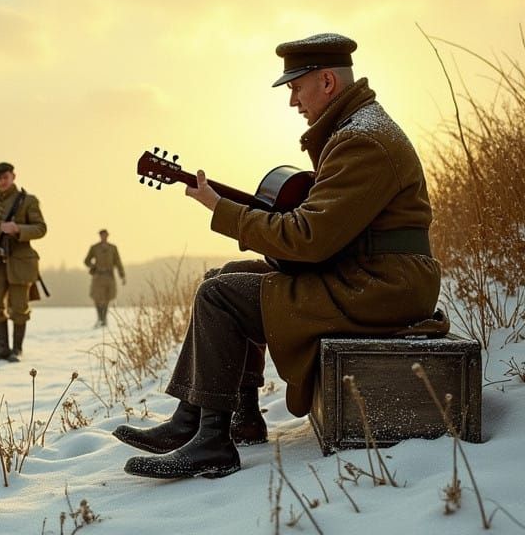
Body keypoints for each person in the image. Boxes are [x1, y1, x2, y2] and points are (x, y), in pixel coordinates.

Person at [114, 33, 442, 479]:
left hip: (381, 287)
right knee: (224, 276)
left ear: (326, 81)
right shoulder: (358, 129)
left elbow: (309, 239)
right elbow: (322, 230)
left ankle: (211, 443)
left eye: (295, 87)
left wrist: (222, 210)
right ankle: (226, 418)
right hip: (370, 275)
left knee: (222, 296)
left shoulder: (363, 141)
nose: (292, 101)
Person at [0, 162, 47, 362]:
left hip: (20, 261)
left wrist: (18, 229)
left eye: (5, 177)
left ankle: (17, 349)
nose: (2, 182)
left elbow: (41, 228)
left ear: (13, 176)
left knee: (19, 307)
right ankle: (2, 348)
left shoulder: (28, 201)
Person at [84, 229, 125, 328]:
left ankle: (103, 318)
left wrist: (122, 275)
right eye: (102, 235)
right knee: (97, 298)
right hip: (98, 276)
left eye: (105, 235)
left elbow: (118, 262)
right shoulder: (94, 248)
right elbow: (86, 261)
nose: (103, 237)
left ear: (107, 236)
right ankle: (100, 318)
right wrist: (93, 266)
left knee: (107, 298)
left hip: (109, 276)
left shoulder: (113, 248)